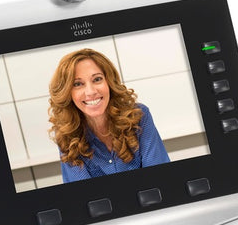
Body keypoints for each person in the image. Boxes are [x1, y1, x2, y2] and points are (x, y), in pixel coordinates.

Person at [48, 48, 170, 183]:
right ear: (67, 93)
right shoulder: (67, 135)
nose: (90, 92)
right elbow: (82, 193)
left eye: (97, 79)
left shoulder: (139, 116)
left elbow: (160, 177)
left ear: (109, 82)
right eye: (78, 84)